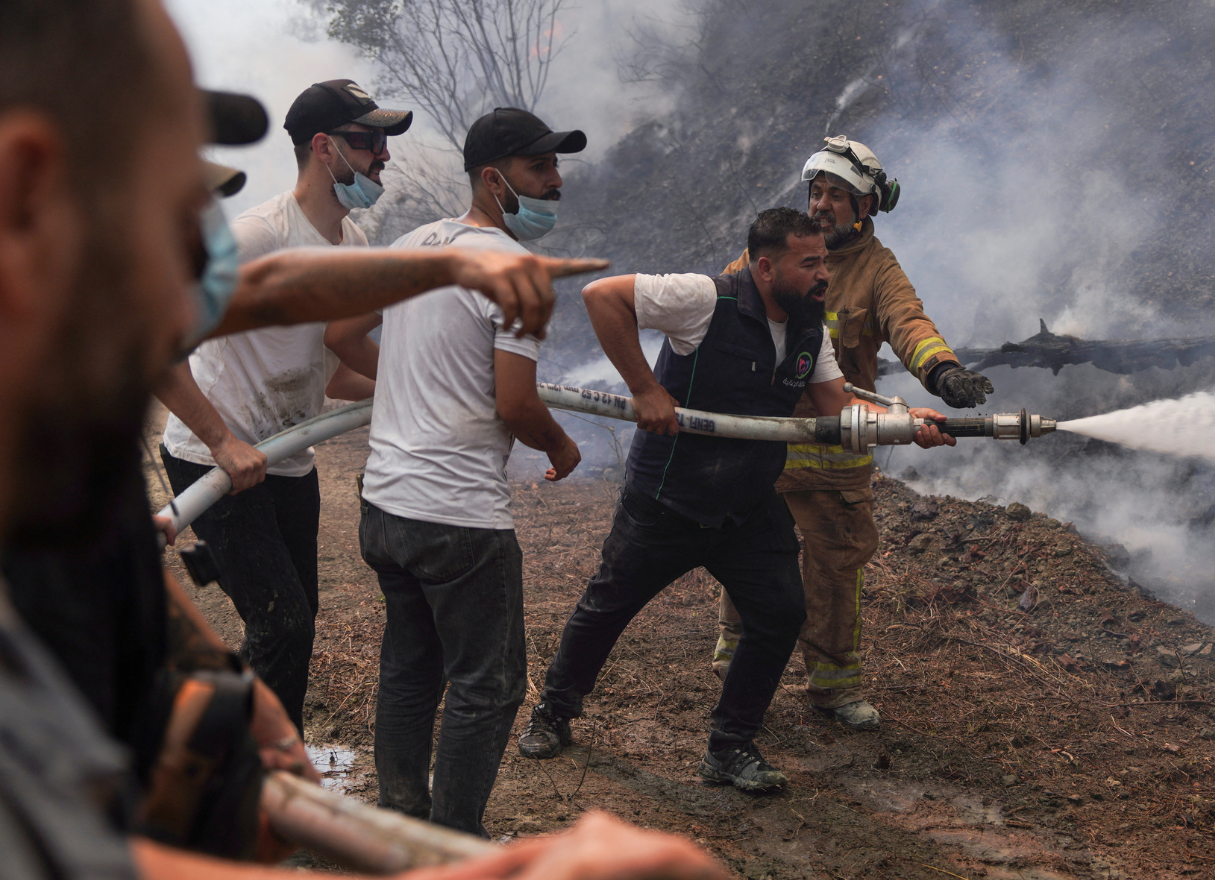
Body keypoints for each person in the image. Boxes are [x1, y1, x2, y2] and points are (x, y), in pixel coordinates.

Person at [0, 0, 730, 880]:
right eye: (176, 210)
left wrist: (452, 264)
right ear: (28, 192)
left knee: (294, 633)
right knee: (312, 630)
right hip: (273, 468)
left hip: (302, 463)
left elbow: (271, 294)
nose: (207, 264)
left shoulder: (58, 451)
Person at [516, 208, 955, 791]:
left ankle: (729, 746)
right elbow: (602, 296)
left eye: (825, 259)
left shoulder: (809, 329)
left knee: (779, 614)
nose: (825, 273)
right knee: (608, 607)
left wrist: (904, 421)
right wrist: (646, 389)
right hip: (668, 497)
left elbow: (835, 405)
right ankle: (553, 712)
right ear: (766, 267)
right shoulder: (703, 298)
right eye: (811, 263)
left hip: (747, 504)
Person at [347, 106, 585, 837]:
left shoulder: (415, 244)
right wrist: (560, 447)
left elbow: (339, 334)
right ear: (494, 179)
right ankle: (450, 847)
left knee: (411, 667)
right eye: (539, 168)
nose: (555, 181)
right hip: (457, 520)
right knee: (489, 686)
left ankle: (400, 821)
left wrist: (412, 388)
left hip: (386, 508)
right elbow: (516, 404)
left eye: (556, 165)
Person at [156, 77, 415, 732]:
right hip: (215, 462)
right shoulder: (256, 241)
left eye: (384, 141)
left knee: (295, 626)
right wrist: (221, 441)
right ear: (324, 148)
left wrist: (409, 390)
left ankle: (267, 763)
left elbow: (328, 378)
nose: (382, 154)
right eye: (367, 141)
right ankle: (249, 781)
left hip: (286, 464)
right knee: (284, 626)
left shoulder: (352, 247)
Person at [711, 136, 994, 729]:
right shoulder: (779, 250)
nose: (821, 206)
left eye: (837, 196)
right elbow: (719, 303)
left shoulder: (877, 269)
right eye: (816, 192)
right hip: (762, 447)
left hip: (835, 459)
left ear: (864, 208)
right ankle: (736, 669)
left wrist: (943, 373)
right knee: (748, 559)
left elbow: (909, 323)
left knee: (835, 572)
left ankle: (834, 688)